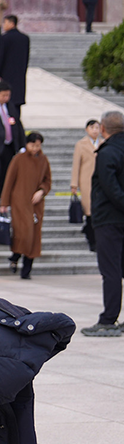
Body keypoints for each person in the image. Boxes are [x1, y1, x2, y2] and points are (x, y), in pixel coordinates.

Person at [85, 111, 124, 336]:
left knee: (110, 271)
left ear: (103, 128)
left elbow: (110, 188)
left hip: (110, 219)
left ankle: (108, 319)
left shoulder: (107, 152)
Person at [0, 132, 51, 279]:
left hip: (36, 204)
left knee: (34, 236)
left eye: (38, 146)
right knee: (22, 234)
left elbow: (48, 180)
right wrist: (4, 202)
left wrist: (42, 191)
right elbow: (9, 181)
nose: (35, 148)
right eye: (33, 145)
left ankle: (26, 269)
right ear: (27, 144)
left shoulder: (43, 160)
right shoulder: (18, 159)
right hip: (19, 202)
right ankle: (15, 257)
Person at [72, 118, 101, 250]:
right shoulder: (81, 144)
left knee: (97, 211)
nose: (95, 131)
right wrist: (74, 183)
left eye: (97, 128)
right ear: (87, 129)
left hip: (101, 182)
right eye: (92, 128)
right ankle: (91, 239)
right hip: (86, 181)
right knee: (89, 211)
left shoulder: (103, 143)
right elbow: (76, 164)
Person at [0, 16, 30, 108]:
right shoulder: (24, 38)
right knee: (17, 100)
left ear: (12, 23)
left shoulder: (5, 38)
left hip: (7, 73)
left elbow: (1, 56)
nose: (3, 25)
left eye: (5, 23)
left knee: (7, 99)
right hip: (20, 73)